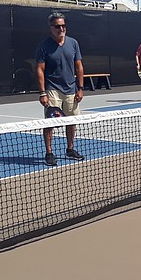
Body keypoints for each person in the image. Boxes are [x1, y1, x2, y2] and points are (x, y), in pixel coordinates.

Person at [36, 12, 85, 166]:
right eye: (57, 26)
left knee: (71, 121)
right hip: (52, 90)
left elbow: (79, 66)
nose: (61, 29)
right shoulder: (44, 46)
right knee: (50, 123)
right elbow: (39, 69)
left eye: (63, 26)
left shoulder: (73, 43)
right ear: (51, 28)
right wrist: (43, 92)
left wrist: (81, 88)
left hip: (71, 89)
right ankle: (49, 152)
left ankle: (70, 149)